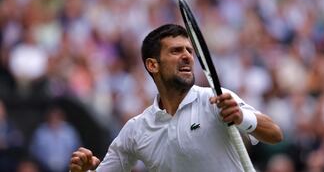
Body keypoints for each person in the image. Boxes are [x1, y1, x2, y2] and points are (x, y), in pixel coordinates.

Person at [69, 24, 283, 172]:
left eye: (190, 51)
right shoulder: (136, 130)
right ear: (153, 65)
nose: (187, 56)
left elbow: (274, 134)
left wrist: (241, 117)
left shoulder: (214, 99)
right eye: (176, 51)